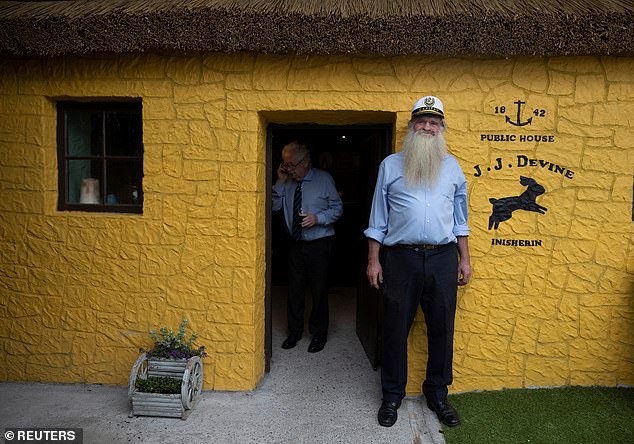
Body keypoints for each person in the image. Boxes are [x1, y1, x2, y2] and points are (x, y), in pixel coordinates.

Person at [364, 96, 471, 428]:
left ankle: (437, 394)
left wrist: (464, 259)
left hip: (442, 258)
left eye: (433, 122)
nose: (427, 127)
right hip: (400, 259)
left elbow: (460, 220)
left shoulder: (452, 167)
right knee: (396, 329)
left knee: (442, 328)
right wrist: (374, 261)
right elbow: (378, 219)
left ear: (441, 129)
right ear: (411, 127)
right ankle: (392, 396)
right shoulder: (390, 165)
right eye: (421, 121)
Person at [272, 141, 343, 353]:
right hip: (295, 242)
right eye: (285, 165)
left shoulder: (323, 179)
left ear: (305, 162)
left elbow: (337, 209)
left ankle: (319, 334)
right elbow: (274, 206)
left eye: (292, 165)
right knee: (294, 290)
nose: (289, 169)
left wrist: (318, 218)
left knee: (318, 290)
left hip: (319, 243)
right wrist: (280, 180)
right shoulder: (286, 181)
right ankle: (294, 332)